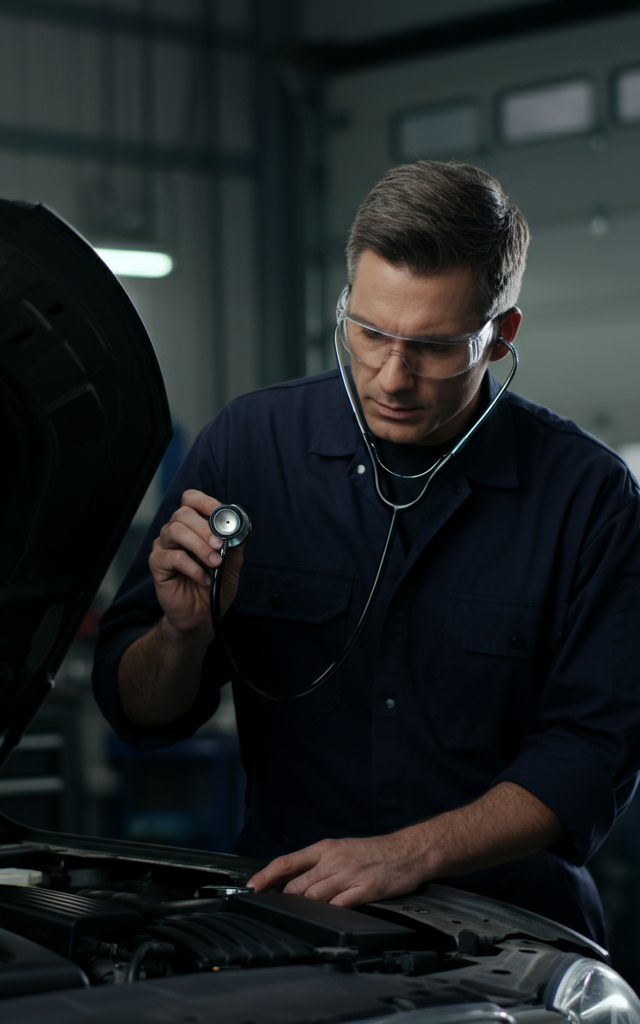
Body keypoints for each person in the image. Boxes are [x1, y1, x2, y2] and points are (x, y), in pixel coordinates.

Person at [92, 160, 640, 945]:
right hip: (290, 924)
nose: (392, 376)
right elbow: (140, 711)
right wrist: (183, 635)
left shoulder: (589, 498)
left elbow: (594, 752)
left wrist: (408, 855)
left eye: (434, 347)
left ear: (501, 335)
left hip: (509, 939)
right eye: (370, 331)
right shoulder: (249, 450)